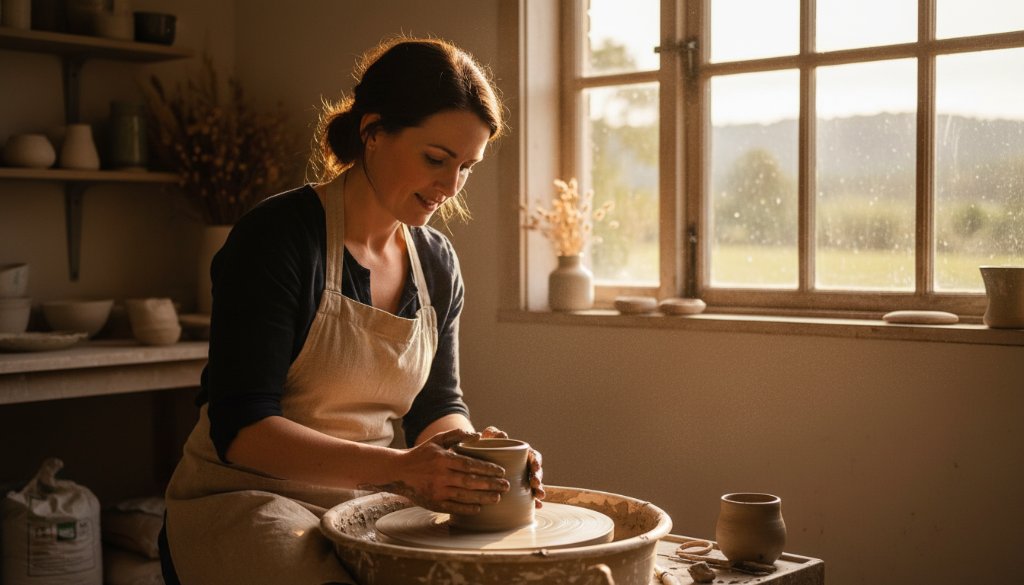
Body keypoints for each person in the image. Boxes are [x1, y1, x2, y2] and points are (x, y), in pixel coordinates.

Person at [160, 37, 545, 585]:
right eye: (436, 159)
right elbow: (241, 427)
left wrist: (472, 456)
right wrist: (403, 470)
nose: (450, 186)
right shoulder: (279, 238)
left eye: (467, 168)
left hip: (368, 502)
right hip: (246, 499)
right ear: (373, 131)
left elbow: (436, 404)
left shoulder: (435, 262)